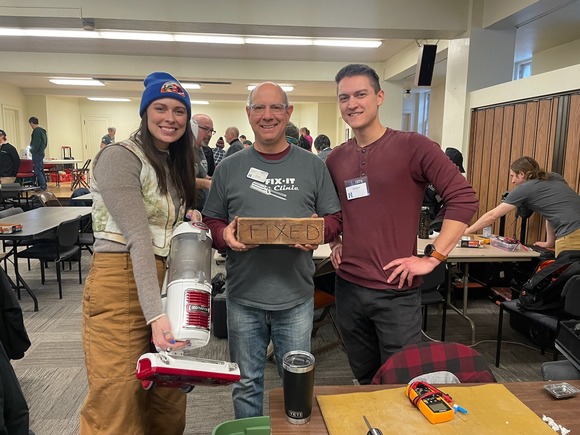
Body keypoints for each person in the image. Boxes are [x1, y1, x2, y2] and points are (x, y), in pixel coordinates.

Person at [325, 64, 478, 385]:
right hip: (348, 288)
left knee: (402, 380)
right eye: (344, 97)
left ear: (379, 97)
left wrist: (432, 258)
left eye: (360, 94)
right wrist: (336, 240)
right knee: (364, 377)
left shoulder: (413, 146)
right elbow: (334, 210)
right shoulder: (336, 159)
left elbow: (463, 199)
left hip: (395, 291)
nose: (352, 104)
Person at [202, 82, 341, 418]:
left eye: (276, 107)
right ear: (249, 114)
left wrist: (318, 232)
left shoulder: (312, 166)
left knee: (294, 384)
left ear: (288, 113)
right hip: (243, 298)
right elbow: (212, 222)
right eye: (259, 108)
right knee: (246, 383)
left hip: (295, 297)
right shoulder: (229, 168)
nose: (267, 115)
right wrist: (226, 237)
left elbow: (334, 219)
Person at [80, 71, 197, 434]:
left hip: (164, 279)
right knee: (118, 395)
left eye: (179, 111)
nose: (170, 118)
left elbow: (160, 227)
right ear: (145, 113)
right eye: (160, 108)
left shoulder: (171, 161)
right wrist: (154, 314)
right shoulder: (119, 157)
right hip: (121, 282)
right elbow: (137, 238)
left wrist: (187, 218)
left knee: (168, 392)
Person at [465, 156, 580, 256]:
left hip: (572, 234)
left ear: (522, 174)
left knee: (568, 275)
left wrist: (467, 231)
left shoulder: (525, 188)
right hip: (574, 230)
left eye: (513, 176)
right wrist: (549, 243)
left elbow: (492, 215)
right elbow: (551, 212)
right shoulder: (554, 177)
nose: (512, 181)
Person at [191, 113, 215, 211]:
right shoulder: (183, 150)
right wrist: (207, 184)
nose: (209, 134)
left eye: (211, 131)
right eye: (205, 129)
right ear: (193, 128)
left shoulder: (201, 149)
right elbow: (181, 181)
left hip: (199, 207)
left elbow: (202, 175)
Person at [28, 117, 47, 191]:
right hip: (41, 152)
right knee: (41, 170)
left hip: (37, 153)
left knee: (37, 171)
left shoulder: (36, 131)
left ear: (31, 123)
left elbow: (36, 143)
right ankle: (44, 184)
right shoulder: (43, 131)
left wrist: (32, 150)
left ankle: (42, 186)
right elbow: (45, 143)